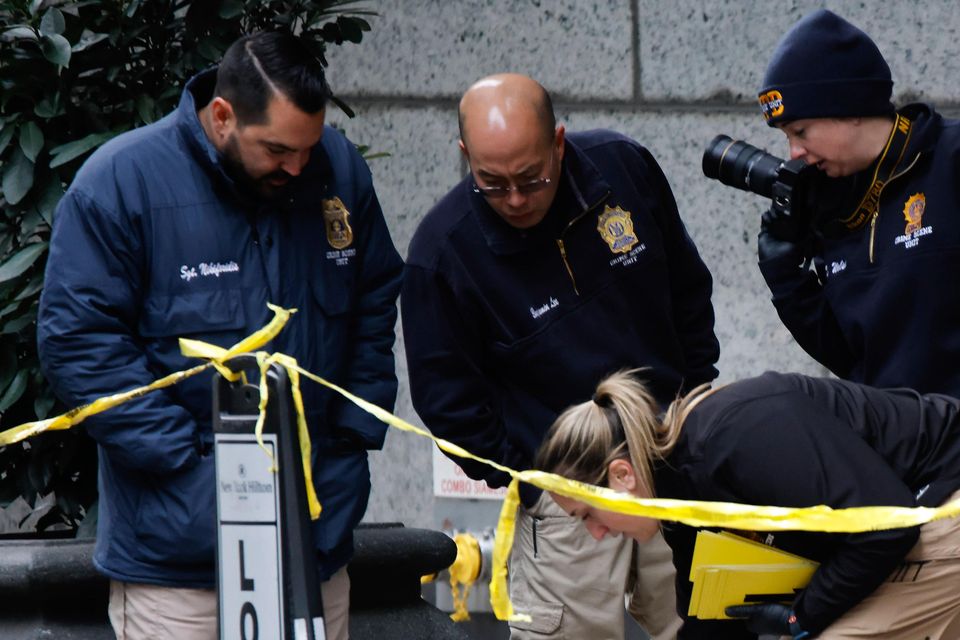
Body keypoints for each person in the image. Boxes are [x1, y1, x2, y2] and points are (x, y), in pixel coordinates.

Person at [37, 31, 403, 640]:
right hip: (181, 562)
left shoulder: (336, 168)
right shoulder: (122, 182)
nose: (298, 166)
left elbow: (373, 299)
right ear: (223, 115)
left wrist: (350, 441)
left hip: (316, 537)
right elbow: (79, 343)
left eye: (309, 148)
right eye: (278, 150)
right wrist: (189, 468)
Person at [402, 73, 719, 639]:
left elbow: (688, 291)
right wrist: (537, 475)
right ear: (464, 156)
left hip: (672, 459)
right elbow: (448, 403)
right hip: (562, 497)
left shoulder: (623, 168)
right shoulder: (441, 253)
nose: (516, 198)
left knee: (706, 624)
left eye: (531, 177)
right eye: (491, 183)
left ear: (559, 142)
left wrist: (692, 409)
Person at [536, 368, 960, 639]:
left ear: (621, 476)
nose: (595, 533)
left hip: (940, 495)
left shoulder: (735, 437)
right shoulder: (676, 489)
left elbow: (888, 526)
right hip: (899, 517)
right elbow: (710, 619)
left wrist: (802, 618)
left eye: (587, 514)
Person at [755, 9, 960, 397]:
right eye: (786, 137)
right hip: (893, 443)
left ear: (848, 107)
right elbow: (849, 356)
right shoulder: (830, 203)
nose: (794, 152)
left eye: (800, 131)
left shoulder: (950, 159)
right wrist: (786, 277)